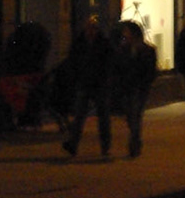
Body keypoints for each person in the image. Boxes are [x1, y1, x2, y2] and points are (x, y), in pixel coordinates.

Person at [60, 17, 116, 157]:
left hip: (99, 84)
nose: (91, 31)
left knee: (102, 117)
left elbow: (109, 63)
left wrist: (107, 79)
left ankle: (105, 146)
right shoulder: (79, 44)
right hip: (84, 83)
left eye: (93, 28)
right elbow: (72, 62)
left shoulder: (103, 44)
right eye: (89, 28)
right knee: (79, 116)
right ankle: (73, 144)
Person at [113, 21, 158, 157]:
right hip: (127, 87)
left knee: (136, 115)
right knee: (130, 116)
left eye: (127, 32)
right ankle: (135, 139)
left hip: (140, 87)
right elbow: (118, 67)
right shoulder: (123, 49)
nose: (125, 35)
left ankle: (134, 143)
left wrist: (146, 82)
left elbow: (150, 70)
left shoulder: (148, 50)